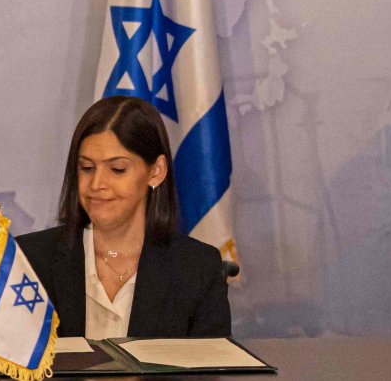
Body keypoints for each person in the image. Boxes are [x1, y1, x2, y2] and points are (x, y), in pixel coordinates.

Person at [17, 95, 231, 338]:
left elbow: (210, 373)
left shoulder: (198, 268)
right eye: (87, 168)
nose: (96, 184)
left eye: (117, 169)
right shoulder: (29, 260)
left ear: (156, 172)